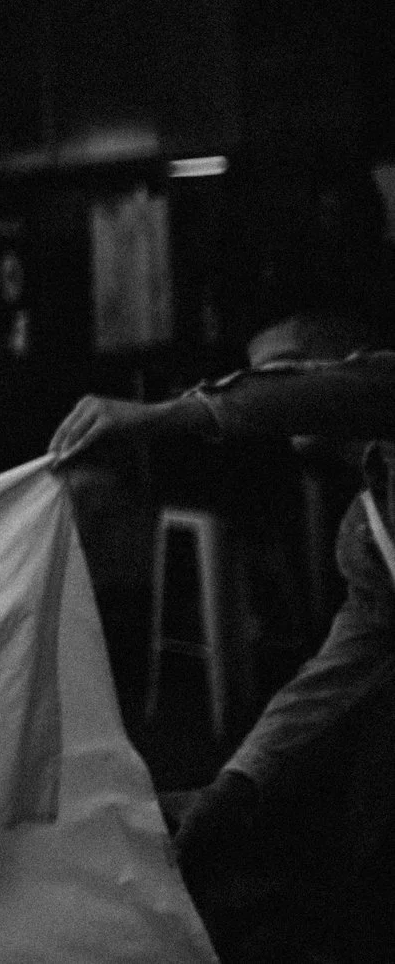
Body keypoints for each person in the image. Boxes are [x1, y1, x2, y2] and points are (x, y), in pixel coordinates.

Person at [50, 327, 395, 963]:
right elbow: (336, 678)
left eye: (286, 377)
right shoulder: (369, 537)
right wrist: (232, 789)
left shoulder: (376, 391)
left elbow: (317, 392)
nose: (280, 407)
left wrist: (160, 417)